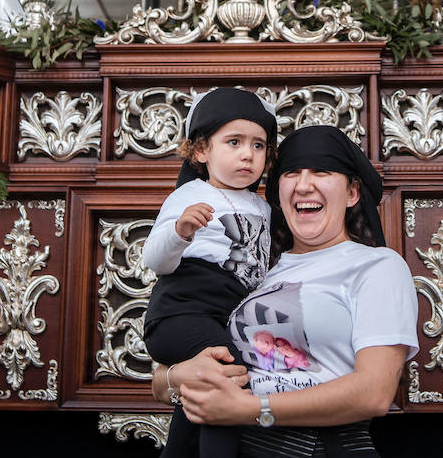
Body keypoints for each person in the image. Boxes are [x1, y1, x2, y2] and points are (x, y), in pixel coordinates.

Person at [152, 125, 419, 457]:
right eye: (292, 172)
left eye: (321, 171)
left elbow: (375, 394)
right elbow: (159, 384)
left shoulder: (377, 267)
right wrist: (179, 375)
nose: (304, 184)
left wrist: (250, 409)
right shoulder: (253, 271)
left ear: (352, 192)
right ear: (277, 192)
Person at [143, 88, 279, 458]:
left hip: (225, 316)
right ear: (202, 151)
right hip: (182, 313)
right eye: (234, 142)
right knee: (232, 375)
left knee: (203, 388)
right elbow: (155, 260)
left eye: (258, 145)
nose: (247, 154)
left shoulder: (263, 208)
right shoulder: (189, 196)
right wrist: (180, 232)